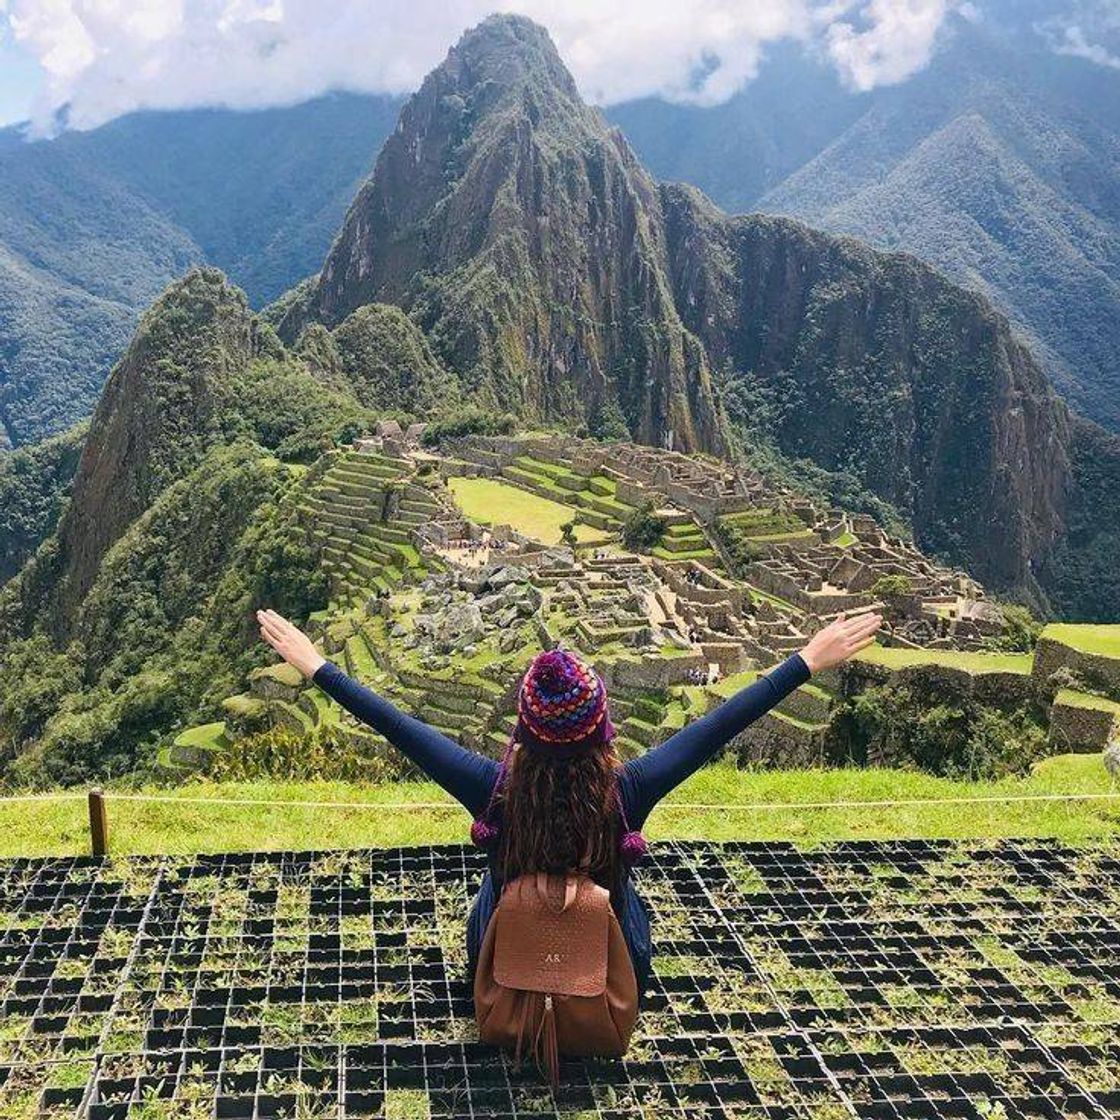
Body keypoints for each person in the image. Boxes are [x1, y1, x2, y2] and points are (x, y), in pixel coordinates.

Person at [256, 608, 882, 1001]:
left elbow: (400, 727)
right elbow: (719, 724)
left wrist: (318, 666)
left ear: (524, 729)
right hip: (611, 967)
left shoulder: (491, 788)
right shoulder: (629, 791)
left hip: (506, 964)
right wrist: (805, 660)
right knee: (625, 897)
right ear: (600, 725)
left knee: (492, 885)